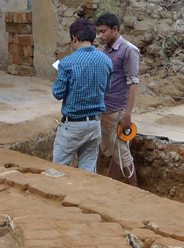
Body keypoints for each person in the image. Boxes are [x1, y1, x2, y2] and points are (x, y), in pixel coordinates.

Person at [51, 18, 111, 171]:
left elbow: (58, 93)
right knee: (88, 173)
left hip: (72, 125)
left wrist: (59, 77)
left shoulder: (67, 63)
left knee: (57, 170)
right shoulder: (106, 61)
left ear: (74, 39)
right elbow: (106, 89)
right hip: (94, 124)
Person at [95, 12, 139, 186]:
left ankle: (135, 191)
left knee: (122, 153)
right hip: (105, 108)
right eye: (98, 32)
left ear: (115, 29)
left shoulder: (129, 50)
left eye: (103, 31)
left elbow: (133, 83)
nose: (100, 36)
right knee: (114, 151)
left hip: (117, 110)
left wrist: (127, 114)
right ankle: (115, 186)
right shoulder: (105, 51)